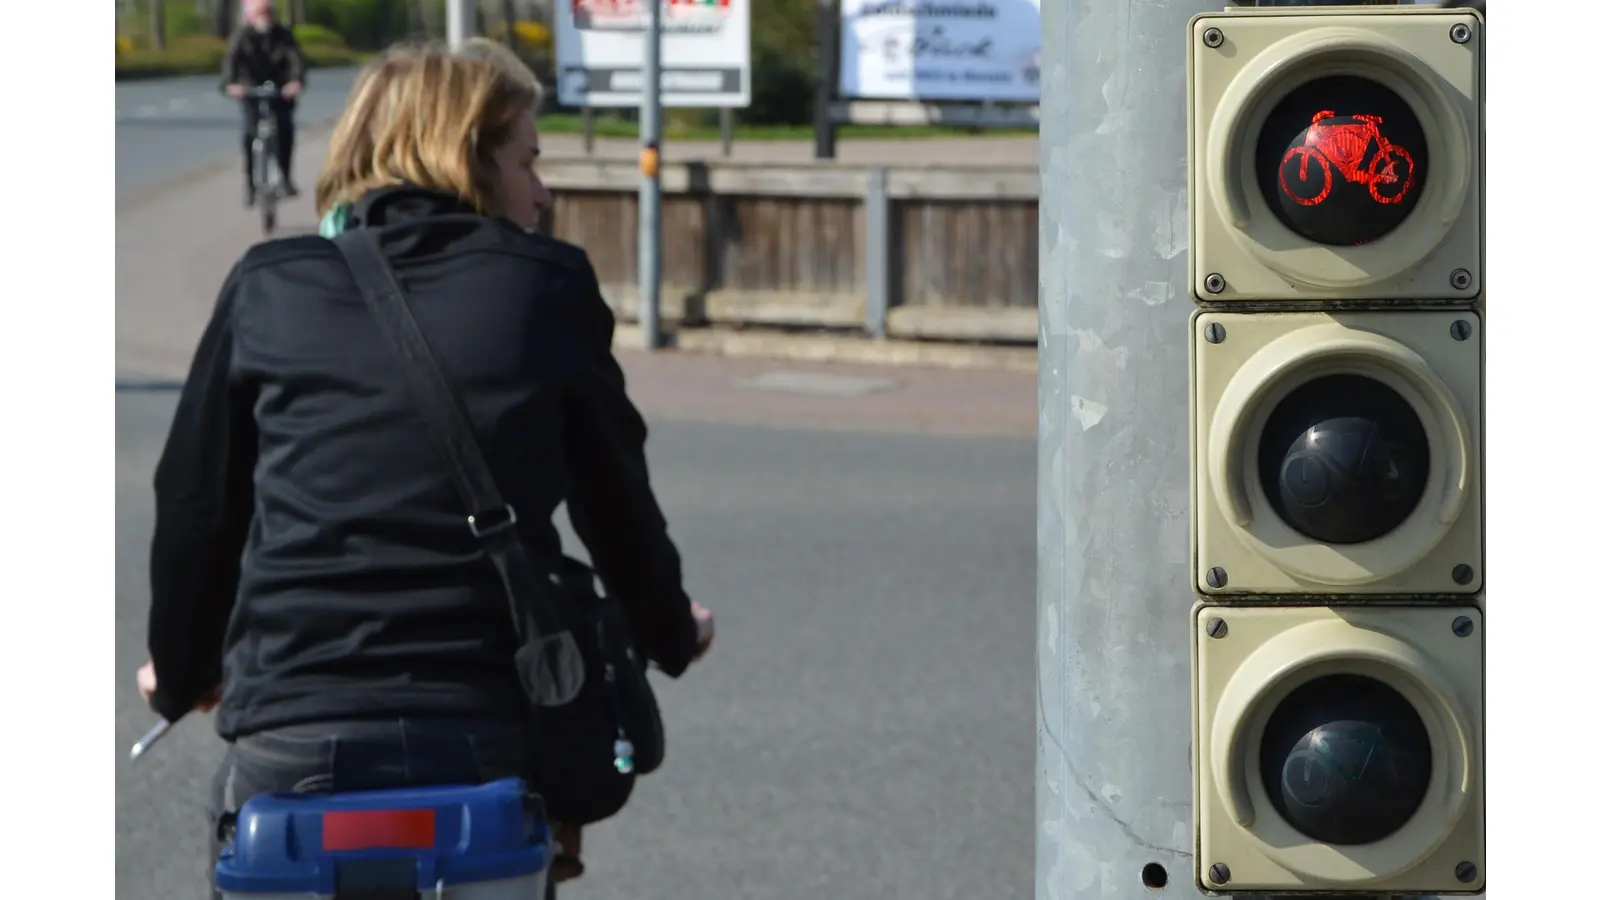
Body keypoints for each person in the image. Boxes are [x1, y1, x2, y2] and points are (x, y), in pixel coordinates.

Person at [136, 38, 716, 897]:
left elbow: (196, 507)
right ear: (468, 157)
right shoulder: (547, 286)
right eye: (529, 160)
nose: (542, 191)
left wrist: (181, 672)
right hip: (482, 727)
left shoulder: (269, 285)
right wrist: (670, 631)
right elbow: (615, 504)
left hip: (295, 724)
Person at [222, 0, 305, 205]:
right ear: (252, 15)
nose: (265, 16)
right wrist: (231, 85)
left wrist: (295, 82)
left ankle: (285, 177)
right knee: (250, 134)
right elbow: (231, 63)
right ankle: (250, 185)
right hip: (250, 90)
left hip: (280, 90)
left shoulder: (283, 35)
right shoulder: (242, 36)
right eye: (261, 12)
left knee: (286, 129)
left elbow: (296, 61)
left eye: (268, 12)